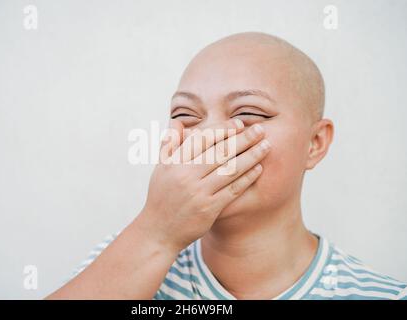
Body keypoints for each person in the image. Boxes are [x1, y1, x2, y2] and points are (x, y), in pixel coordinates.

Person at [47, 32, 407, 300]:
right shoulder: (129, 258)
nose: (209, 137)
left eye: (248, 114)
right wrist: (156, 232)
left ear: (315, 144)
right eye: (186, 116)